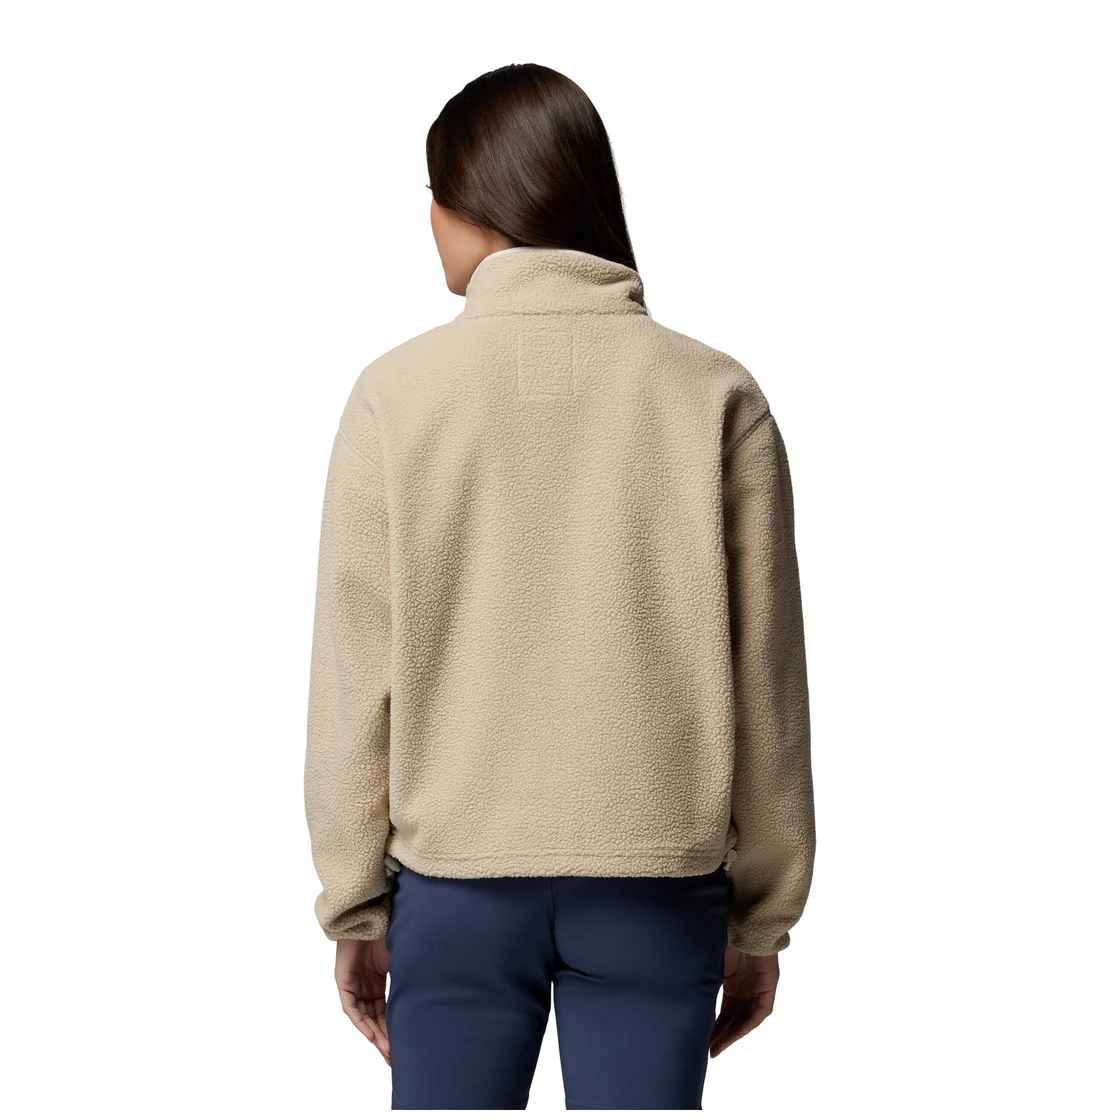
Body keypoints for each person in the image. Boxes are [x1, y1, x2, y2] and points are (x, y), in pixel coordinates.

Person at [303, 62, 815, 1111]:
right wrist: (763, 920)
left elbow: (355, 680)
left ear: (473, 204)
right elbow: (767, 688)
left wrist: (353, 905)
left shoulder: (395, 399)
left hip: (454, 890)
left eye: (433, 196)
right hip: (658, 890)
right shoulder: (715, 395)